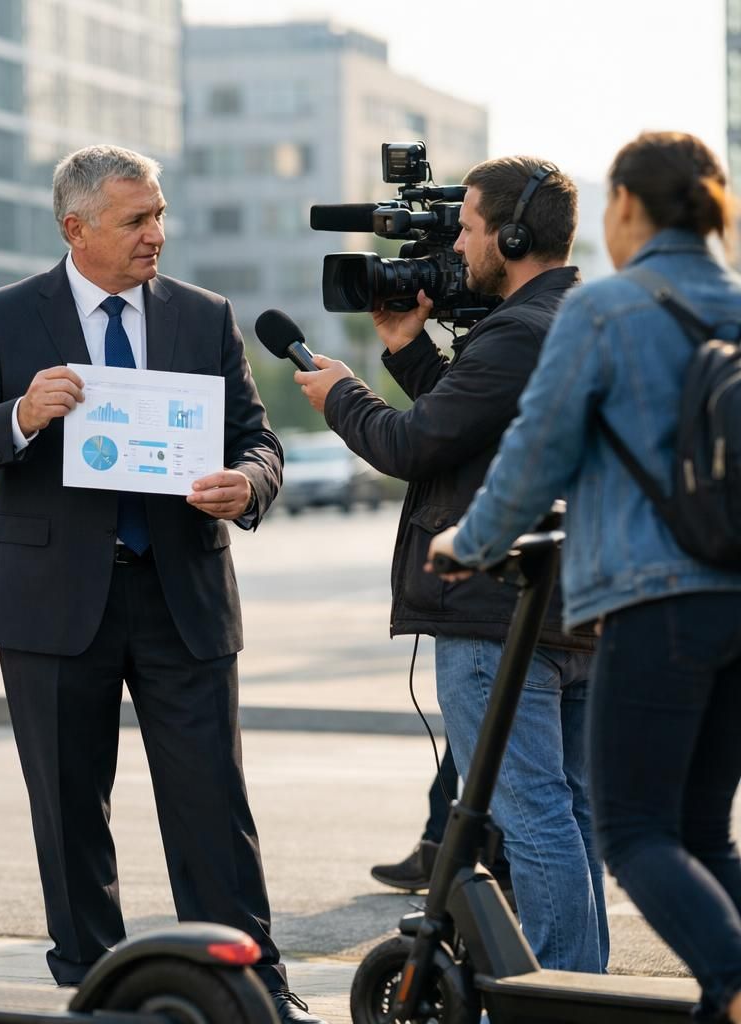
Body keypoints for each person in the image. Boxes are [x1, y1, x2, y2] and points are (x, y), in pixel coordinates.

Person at [0, 144, 321, 1024]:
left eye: (160, 214)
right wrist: (20, 415)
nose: (156, 234)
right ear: (77, 228)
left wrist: (249, 483)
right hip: (53, 605)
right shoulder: (4, 317)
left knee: (213, 805)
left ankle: (252, 988)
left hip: (183, 597)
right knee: (69, 812)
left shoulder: (204, 316)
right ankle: (93, 991)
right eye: (137, 220)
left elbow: (259, 439)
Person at [431, 131, 741, 1022]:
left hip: (655, 603)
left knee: (634, 831)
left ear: (628, 207)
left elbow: (535, 456)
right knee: (704, 834)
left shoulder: (604, 311)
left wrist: (468, 542)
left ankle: (734, 982)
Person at [292, 156, 603, 972]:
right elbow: (476, 426)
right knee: (570, 817)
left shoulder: (518, 332)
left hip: (498, 615)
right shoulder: (577, 317)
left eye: (466, 229)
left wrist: (342, 396)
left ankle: (563, 998)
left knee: (533, 820)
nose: (456, 248)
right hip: (570, 609)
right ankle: (586, 987)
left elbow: (417, 443)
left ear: (511, 236)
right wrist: (406, 348)